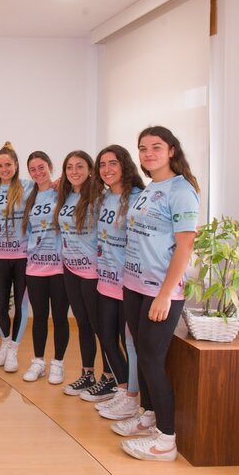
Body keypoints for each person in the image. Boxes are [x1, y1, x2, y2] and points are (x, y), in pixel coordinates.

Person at [114, 126, 199, 462]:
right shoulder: (152, 188)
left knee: (151, 359)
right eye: (143, 149)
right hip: (135, 286)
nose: (148, 154)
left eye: (156, 147)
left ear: (172, 151)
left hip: (159, 291)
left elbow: (186, 244)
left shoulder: (182, 190)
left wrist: (165, 295)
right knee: (143, 355)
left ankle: (165, 440)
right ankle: (148, 417)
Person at [55, 150, 115, 399]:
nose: (74, 172)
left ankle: (110, 378)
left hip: (93, 272)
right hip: (71, 269)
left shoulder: (100, 198)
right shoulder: (66, 195)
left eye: (80, 166)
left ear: (91, 170)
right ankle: (87, 373)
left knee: (100, 327)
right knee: (83, 325)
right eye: (69, 167)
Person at [92, 145, 144, 421]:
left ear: (125, 165)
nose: (107, 169)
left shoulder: (137, 198)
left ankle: (134, 398)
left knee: (130, 343)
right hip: (106, 279)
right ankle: (123, 390)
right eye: (102, 164)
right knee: (107, 336)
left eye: (112, 163)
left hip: (130, 283)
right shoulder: (103, 198)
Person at [20, 151, 68, 384]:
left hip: (59, 267)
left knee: (60, 317)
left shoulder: (63, 192)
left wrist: (64, 183)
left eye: (42, 167)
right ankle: (38, 362)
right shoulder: (29, 194)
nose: (38, 172)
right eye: (33, 169)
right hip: (35, 267)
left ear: (51, 166)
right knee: (39, 317)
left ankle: (58, 363)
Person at [0, 142, 32, 372]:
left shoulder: (27, 187)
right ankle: (4, 343)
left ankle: (14, 349)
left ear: (16, 166)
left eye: (8, 165)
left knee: (21, 305)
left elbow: (50, 190)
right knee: (1, 304)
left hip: (23, 255)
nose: (4, 169)